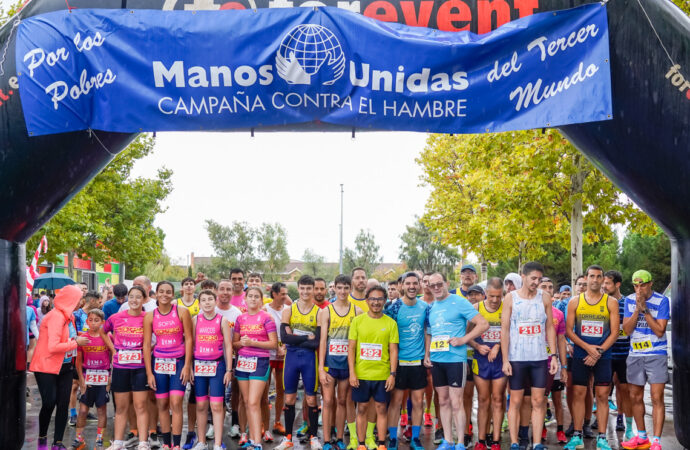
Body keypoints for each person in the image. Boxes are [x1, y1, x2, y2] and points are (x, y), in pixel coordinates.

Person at [424, 272, 489, 450]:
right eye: (432, 285)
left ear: (446, 283)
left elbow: (483, 324)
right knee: (443, 401)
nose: (436, 288)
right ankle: (448, 441)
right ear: (428, 287)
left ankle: (460, 442)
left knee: (456, 402)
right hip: (437, 359)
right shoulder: (431, 307)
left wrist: (463, 339)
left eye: (439, 284)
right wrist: (427, 354)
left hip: (455, 359)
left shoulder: (459, 301)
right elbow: (430, 331)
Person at [501, 262, 558, 450]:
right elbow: (505, 329)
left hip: (539, 358)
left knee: (538, 401)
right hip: (516, 358)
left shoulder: (545, 298)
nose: (536, 282)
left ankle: (536, 443)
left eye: (539, 279)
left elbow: (550, 327)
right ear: (523, 277)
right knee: (516, 401)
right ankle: (515, 442)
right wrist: (505, 360)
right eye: (533, 278)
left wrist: (554, 356)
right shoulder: (510, 298)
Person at [31, 285, 89, 450]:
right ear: (70, 299)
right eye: (78, 298)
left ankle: (57, 442)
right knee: (49, 403)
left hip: (65, 366)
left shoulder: (68, 316)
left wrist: (76, 338)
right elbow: (53, 346)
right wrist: (75, 342)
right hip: (46, 366)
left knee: (63, 404)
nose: (80, 302)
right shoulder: (56, 316)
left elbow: (68, 338)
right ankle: (42, 438)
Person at [621, 270, 670, 450]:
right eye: (635, 285)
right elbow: (626, 330)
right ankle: (641, 436)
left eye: (642, 284)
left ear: (651, 283)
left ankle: (656, 440)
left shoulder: (662, 300)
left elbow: (659, 330)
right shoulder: (628, 300)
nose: (639, 289)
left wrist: (645, 310)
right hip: (635, 354)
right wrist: (636, 309)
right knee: (635, 396)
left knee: (657, 397)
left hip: (656, 353)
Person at [143, 281, 194, 449]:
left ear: (173, 295)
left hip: (178, 362)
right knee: (162, 405)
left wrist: (187, 366)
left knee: (176, 403)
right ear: (156, 294)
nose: (164, 294)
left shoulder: (182, 312)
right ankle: (166, 444)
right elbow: (146, 345)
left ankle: (177, 444)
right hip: (159, 364)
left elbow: (189, 339)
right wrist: (149, 373)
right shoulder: (150, 316)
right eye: (161, 291)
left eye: (168, 292)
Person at [348, 285, 399, 450]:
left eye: (379, 299)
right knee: (361, 409)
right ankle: (361, 444)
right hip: (362, 374)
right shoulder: (358, 321)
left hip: (382, 375)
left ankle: (382, 444)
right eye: (372, 299)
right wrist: (352, 373)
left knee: (381, 409)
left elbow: (393, 350)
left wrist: (392, 374)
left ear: (385, 301)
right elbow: (351, 349)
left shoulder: (391, 323)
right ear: (367, 300)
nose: (376, 303)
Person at [276, 275, 322, 450]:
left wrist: (296, 338)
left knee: (311, 399)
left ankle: (314, 437)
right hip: (292, 358)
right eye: (302, 288)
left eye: (308, 288)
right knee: (289, 397)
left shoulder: (319, 311)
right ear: (298, 288)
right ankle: (288, 438)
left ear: (313, 289)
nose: (305, 292)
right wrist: (304, 337)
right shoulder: (289, 309)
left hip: (310, 358)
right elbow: (285, 337)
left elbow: (316, 342)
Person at [318, 274, 362, 450]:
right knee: (328, 401)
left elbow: (358, 342)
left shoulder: (357, 311)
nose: (343, 291)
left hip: (347, 364)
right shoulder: (326, 311)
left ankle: (339, 437)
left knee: (343, 400)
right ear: (334, 288)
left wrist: (354, 369)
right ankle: (327, 440)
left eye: (346, 288)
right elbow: (322, 341)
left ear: (350, 289)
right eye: (340, 287)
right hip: (330, 364)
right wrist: (321, 368)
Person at [384, 272, 427, 450]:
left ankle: (415, 438)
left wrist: (428, 356)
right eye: (407, 283)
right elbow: (386, 336)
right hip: (399, 363)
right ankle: (393, 438)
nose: (411, 286)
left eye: (414, 283)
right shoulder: (393, 308)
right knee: (395, 402)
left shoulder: (425, 307)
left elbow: (427, 332)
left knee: (418, 402)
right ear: (401, 285)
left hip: (418, 362)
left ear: (419, 286)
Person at [105, 286, 151, 450]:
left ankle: (143, 442)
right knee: (122, 407)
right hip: (120, 367)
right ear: (126, 298)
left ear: (144, 299)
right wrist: (113, 349)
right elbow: (103, 331)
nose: (134, 300)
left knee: (140, 406)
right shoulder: (116, 317)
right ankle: (118, 442)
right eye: (131, 296)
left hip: (140, 368)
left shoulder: (148, 317)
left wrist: (150, 350)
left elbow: (155, 338)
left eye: (138, 297)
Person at [233, 286, 279, 450]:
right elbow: (235, 343)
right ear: (245, 299)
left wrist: (253, 343)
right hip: (243, 362)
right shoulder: (240, 318)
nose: (253, 299)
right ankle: (252, 440)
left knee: (254, 402)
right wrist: (242, 344)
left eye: (256, 296)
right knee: (246, 402)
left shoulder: (267, 318)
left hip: (260, 362)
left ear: (261, 299)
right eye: (250, 296)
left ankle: (257, 442)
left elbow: (273, 344)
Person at [191, 290, 233, 450]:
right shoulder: (195, 320)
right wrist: (189, 367)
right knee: (201, 406)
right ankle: (201, 442)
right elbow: (192, 344)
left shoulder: (222, 320)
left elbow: (228, 346)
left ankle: (217, 443)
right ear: (199, 303)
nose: (207, 302)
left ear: (215, 301)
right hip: (199, 367)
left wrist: (229, 369)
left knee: (216, 405)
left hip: (217, 366)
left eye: (210, 299)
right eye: (203, 300)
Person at [469, 278, 506, 450]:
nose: (494, 300)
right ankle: (481, 440)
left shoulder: (507, 308)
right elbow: (467, 335)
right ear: (485, 294)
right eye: (491, 296)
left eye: (498, 296)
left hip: (500, 360)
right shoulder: (477, 308)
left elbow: (512, 333)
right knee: (483, 400)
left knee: (498, 399)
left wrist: (498, 345)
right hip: (481, 359)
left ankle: (496, 440)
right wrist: (477, 345)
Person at [72, 309, 115, 450]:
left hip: (103, 377)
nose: (93, 323)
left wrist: (109, 377)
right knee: (83, 410)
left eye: (97, 320)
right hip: (87, 376)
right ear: (87, 321)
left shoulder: (107, 336)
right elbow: (78, 361)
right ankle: (79, 438)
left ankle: (100, 438)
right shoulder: (83, 338)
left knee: (102, 410)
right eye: (90, 320)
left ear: (103, 322)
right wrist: (81, 381)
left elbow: (112, 355)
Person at [603, 270, 634, 441]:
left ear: (617, 284)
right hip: (606, 354)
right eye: (603, 283)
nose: (604, 286)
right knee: (603, 391)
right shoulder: (601, 302)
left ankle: (626, 425)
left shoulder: (628, 302)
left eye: (607, 283)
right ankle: (601, 427)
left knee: (624, 390)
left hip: (624, 353)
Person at [214, 279, 243, 439]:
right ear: (217, 291)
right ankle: (212, 424)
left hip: (233, 359)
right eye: (222, 289)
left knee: (235, 392)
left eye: (228, 289)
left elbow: (238, 339)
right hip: (214, 360)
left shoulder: (237, 313)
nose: (225, 292)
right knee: (215, 393)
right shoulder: (210, 310)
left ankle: (235, 423)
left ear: (233, 292)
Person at [264, 282, 290, 437]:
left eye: (286, 293)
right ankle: (262, 423)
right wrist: (275, 347)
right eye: (282, 294)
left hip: (282, 354)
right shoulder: (265, 310)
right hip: (267, 354)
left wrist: (284, 347)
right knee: (263, 391)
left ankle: (277, 422)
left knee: (281, 389)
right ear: (274, 294)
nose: (285, 296)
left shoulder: (288, 310)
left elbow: (290, 330)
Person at [420, 273, 439, 439]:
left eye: (430, 282)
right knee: (422, 382)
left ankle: (430, 413)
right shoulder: (417, 302)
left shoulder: (439, 302)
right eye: (424, 281)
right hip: (419, 348)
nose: (427, 285)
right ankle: (408, 414)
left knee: (435, 383)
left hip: (438, 348)